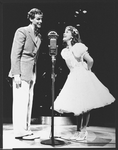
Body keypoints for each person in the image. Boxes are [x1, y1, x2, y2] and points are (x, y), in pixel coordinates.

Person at [53, 26, 115, 141]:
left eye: (67, 32)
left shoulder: (79, 47)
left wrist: (88, 70)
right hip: (73, 77)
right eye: (64, 31)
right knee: (78, 105)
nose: (64, 33)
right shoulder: (65, 51)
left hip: (82, 75)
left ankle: (84, 130)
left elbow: (90, 60)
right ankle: (78, 131)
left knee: (85, 105)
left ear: (73, 35)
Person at [8, 8, 43, 139]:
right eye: (38, 18)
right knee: (20, 102)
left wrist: (34, 73)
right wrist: (16, 74)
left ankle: (26, 128)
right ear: (31, 19)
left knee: (28, 101)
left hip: (32, 72)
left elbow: (35, 56)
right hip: (21, 72)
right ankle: (19, 131)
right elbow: (14, 54)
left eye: (41, 19)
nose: (40, 21)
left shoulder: (39, 36)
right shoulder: (22, 31)